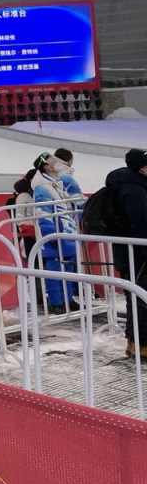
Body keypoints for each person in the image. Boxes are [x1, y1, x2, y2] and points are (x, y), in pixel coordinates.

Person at [105, 149, 147, 359]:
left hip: (131, 252)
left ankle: (134, 343)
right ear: (142, 167)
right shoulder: (134, 189)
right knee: (141, 300)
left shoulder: (131, 185)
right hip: (138, 254)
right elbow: (140, 223)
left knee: (135, 299)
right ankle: (142, 346)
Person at [31, 152, 79, 314]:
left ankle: (68, 299)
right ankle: (56, 302)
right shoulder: (43, 188)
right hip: (55, 236)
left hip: (67, 233)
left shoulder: (56, 184)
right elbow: (43, 213)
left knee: (68, 268)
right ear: (47, 167)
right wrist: (50, 235)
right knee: (55, 269)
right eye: (54, 161)